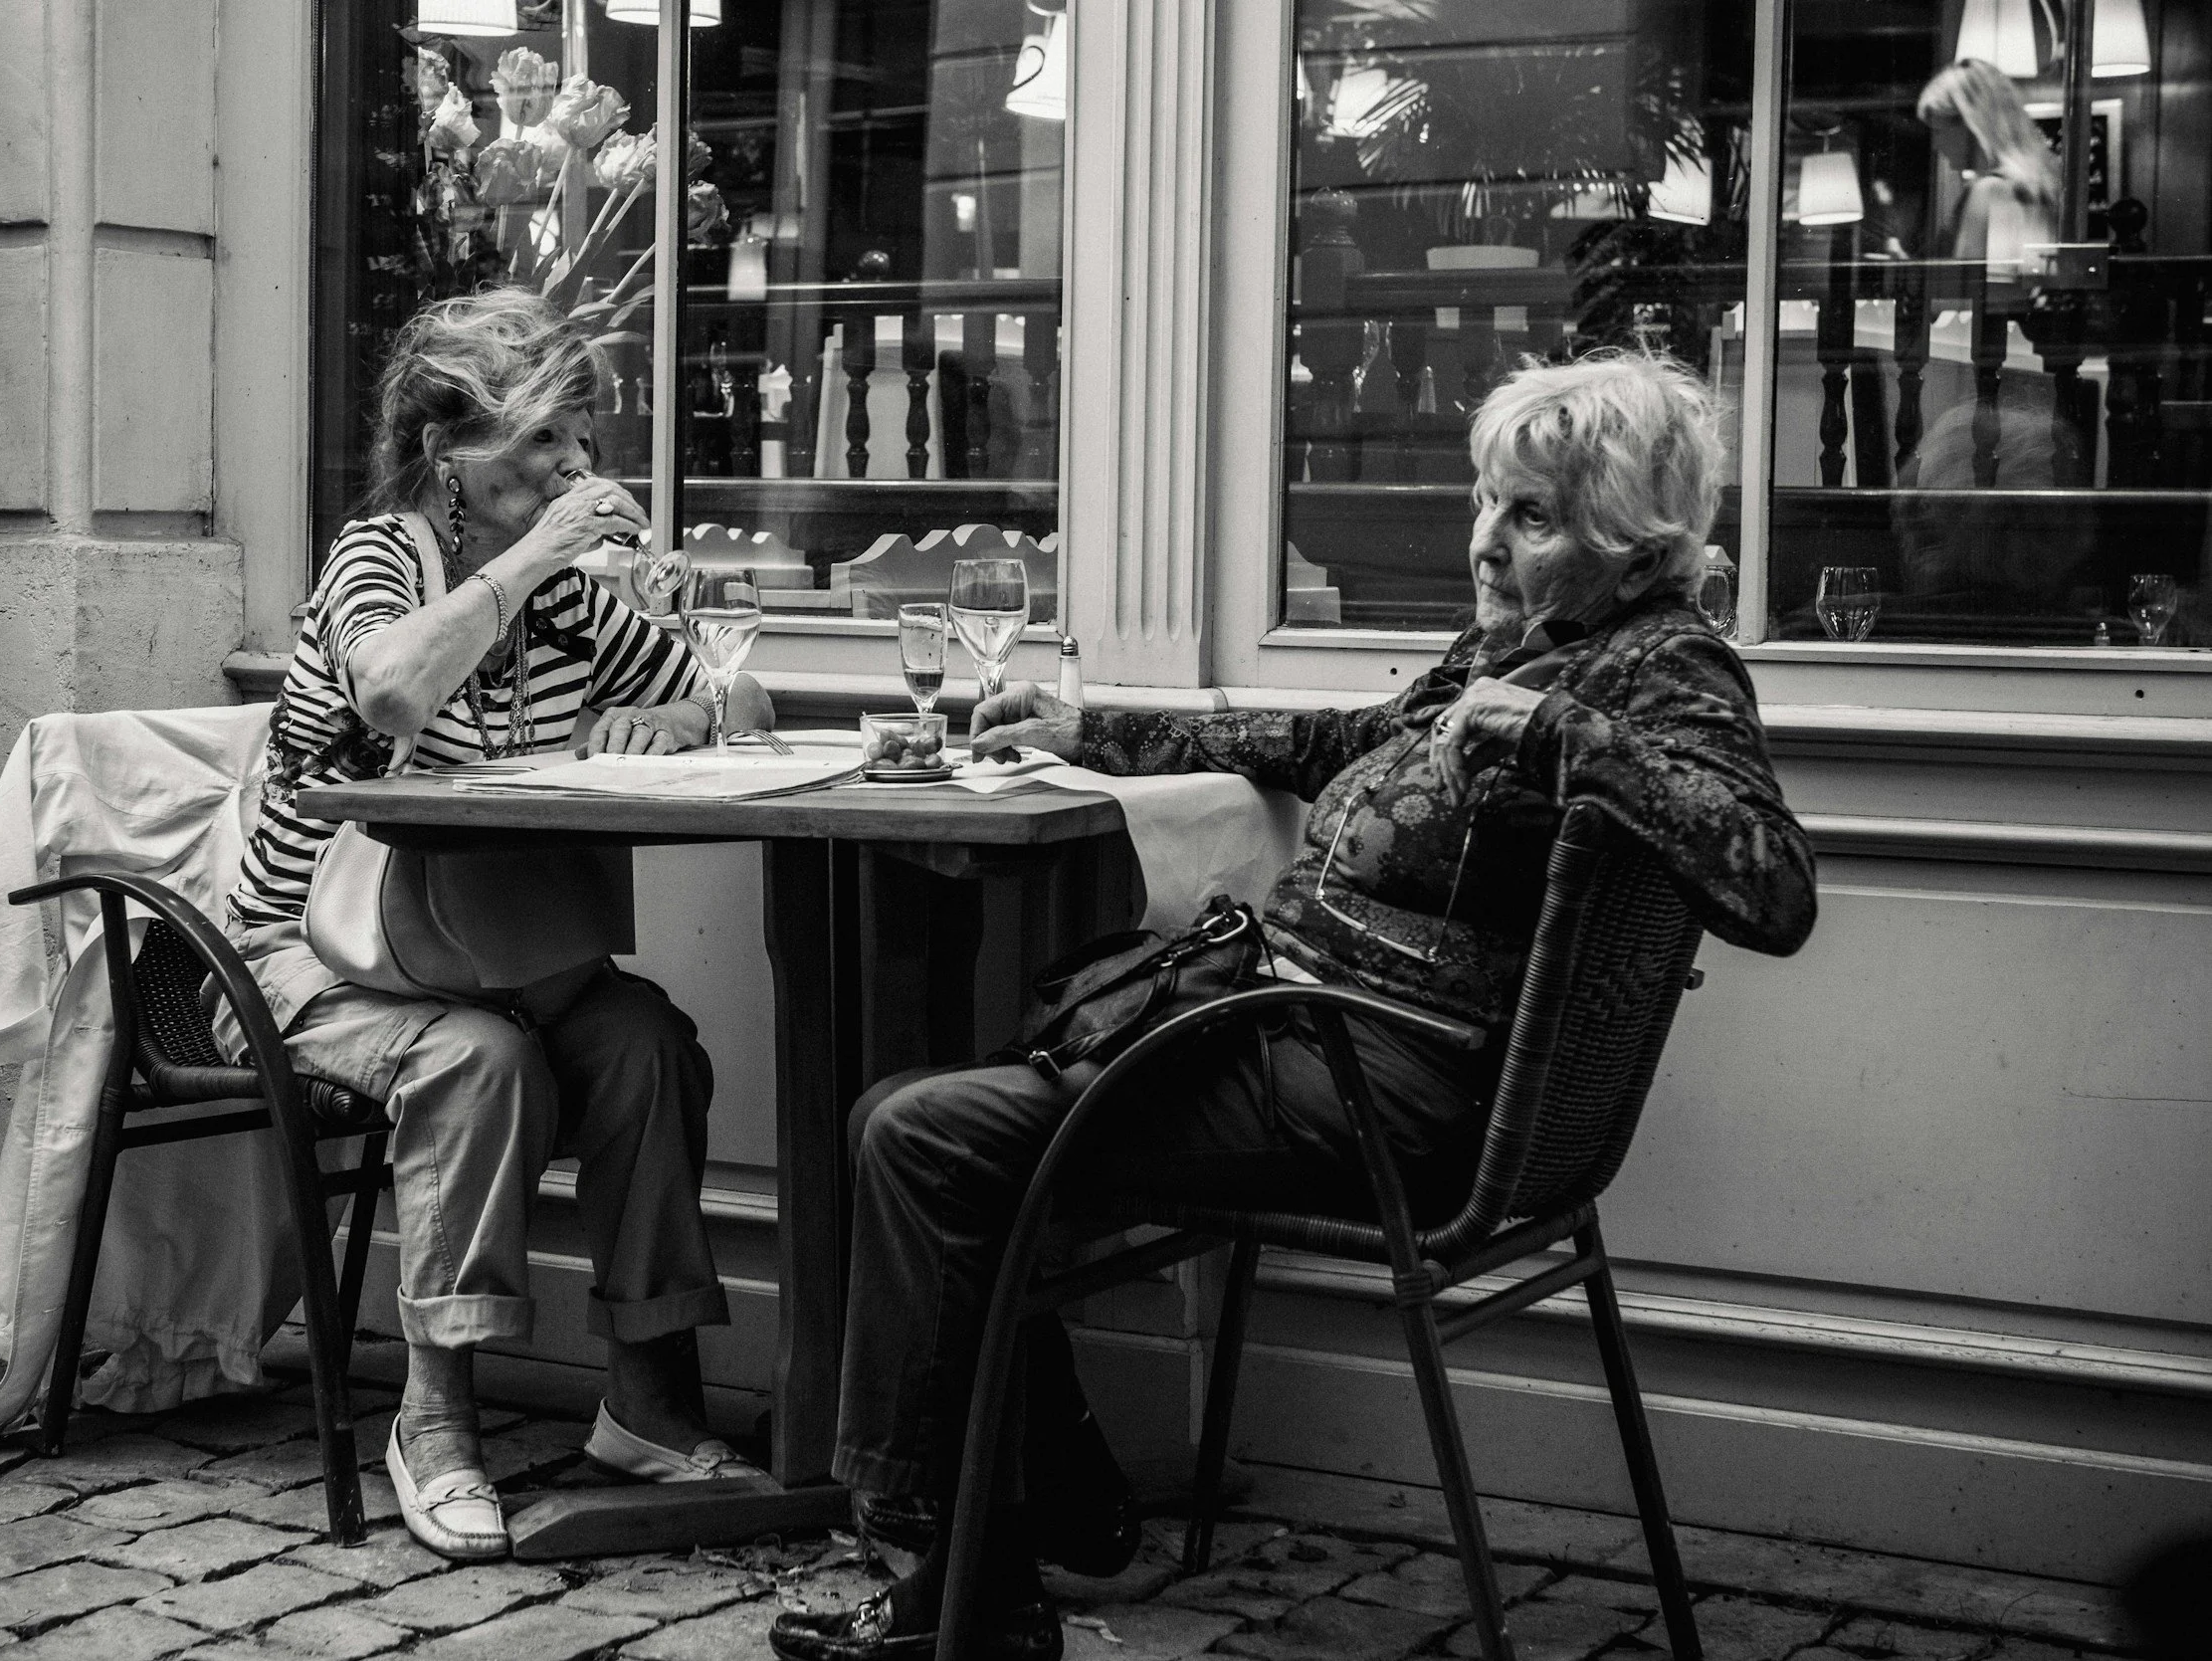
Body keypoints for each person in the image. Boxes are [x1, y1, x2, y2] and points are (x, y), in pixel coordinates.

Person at [773, 351, 1817, 1661]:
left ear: (1627, 536)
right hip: (1307, 1043)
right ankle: (1037, 1516)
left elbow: (1776, 886)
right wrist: (1094, 727)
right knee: (937, 1125)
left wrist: (1574, 745)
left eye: (1533, 516)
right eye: (1490, 501)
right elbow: (1339, 744)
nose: (1487, 540)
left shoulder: (1662, 670)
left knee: (926, 1141)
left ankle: (961, 1575)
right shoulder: (1527, 643)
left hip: (1379, 1088)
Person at [222, 287, 774, 1560]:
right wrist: (533, 558)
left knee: (644, 1036)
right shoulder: (379, 558)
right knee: (478, 1058)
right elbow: (393, 687)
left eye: (580, 435)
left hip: (497, 953)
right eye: (543, 441)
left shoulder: (575, 602)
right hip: (306, 956)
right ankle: (435, 1417)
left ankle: (648, 1401)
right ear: (445, 450)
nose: (578, 464)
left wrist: (682, 716)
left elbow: (739, 690)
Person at [1916, 59, 2059, 277]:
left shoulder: (1989, 190)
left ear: (1973, 124)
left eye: (1939, 131)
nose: (1936, 145)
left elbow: (1968, 294)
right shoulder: (2033, 186)